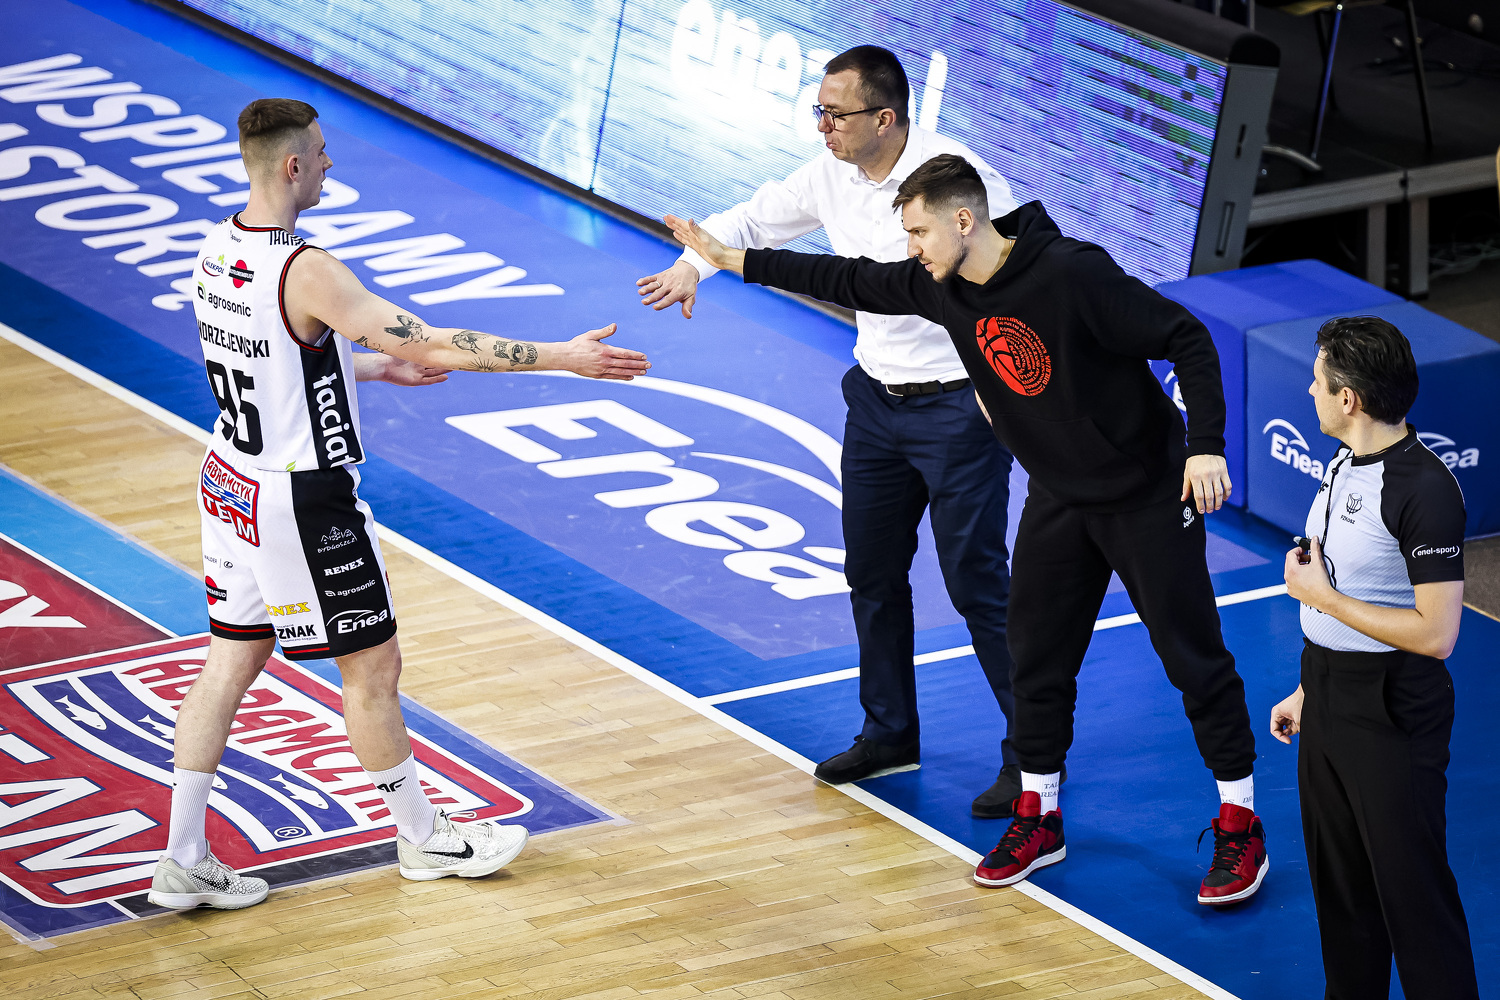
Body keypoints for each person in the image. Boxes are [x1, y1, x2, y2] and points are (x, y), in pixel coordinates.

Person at [666, 153, 1268, 905]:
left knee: (1193, 659)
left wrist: (1205, 445)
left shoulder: (1072, 273)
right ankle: (1038, 815)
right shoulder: (941, 285)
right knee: (1036, 661)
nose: (910, 248)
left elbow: (1187, 337)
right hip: (1059, 496)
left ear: (962, 220)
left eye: (918, 232)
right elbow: (847, 279)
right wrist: (732, 260)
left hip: (1146, 492)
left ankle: (1241, 823)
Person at [146, 98, 649, 911]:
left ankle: (182, 858)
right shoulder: (307, 268)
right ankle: (423, 839)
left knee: (228, 662)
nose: (330, 163)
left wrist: (371, 370)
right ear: (292, 166)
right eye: (321, 152)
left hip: (228, 478)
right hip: (300, 497)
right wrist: (563, 356)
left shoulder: (216, 247)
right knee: (372, 670)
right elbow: (433, 340)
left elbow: (271, 357)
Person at [639, 46, 1030, 815]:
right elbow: (751, 218)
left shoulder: (964, 183)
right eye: (818, 111)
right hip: (877, 405)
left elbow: (1018, 285)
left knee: (977, 582)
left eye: (836, 114)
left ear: (885, 118)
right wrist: (694, 263)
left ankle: (1032, 756)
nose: (822, 126)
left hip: (959, 409)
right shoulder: (831, 173)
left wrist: (1005, 387)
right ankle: (889, 732)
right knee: (872, 573)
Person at [1271, 317, 1477, 999]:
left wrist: (1324, 601)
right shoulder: (1340, 462)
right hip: (1329, 699)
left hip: (1394, 712)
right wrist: (1311, 690)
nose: (1310, 391)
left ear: (1348, 398)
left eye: (1317, 380)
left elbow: (1437, 634)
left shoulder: (1425, 489)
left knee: (1414, 901)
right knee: (1344, 902)